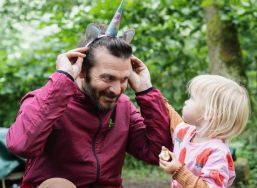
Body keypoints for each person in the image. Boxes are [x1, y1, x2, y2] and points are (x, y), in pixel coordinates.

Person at [6, 1, 172, 187]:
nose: (117, 90)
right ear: (83, 71)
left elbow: (159, 153)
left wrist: (146, 90)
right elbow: (21, 145)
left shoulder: (123, 106)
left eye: (124, 79)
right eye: (108, 78)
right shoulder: (45, 99)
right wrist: (63, 78)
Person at [159, 75, 250, 188]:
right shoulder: (189, 133)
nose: (186, 102)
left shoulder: (217, 153)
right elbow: (173, 119)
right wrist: (155, 97)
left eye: (192, 98)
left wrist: (178, 171)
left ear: (209, 113)